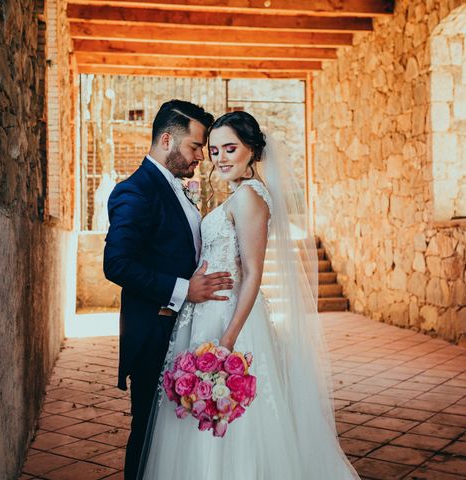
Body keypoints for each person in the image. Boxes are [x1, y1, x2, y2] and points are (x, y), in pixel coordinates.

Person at [139, 111, 360, 480]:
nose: (220, 158)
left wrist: (228, 339)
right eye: (213, 150)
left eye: (231, 148)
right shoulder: (240, 195)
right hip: (206, 312)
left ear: (252, 151)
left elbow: (254, 273)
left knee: (232, 417)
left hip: (229, 320)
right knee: (199, 412)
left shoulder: (250, 197)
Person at [103, 99, 234, 480]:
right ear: (166, 139)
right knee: (146, 434)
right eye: (195, 146)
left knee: (169, 436)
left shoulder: (174, 186)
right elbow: (117, 264)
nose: (200, 157)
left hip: (181, 331)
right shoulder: (136, 190)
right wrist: (183, 290)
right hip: (154, 334)